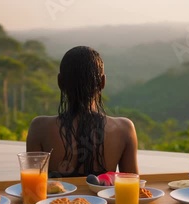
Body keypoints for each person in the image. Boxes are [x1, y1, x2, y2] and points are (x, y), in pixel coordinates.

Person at [26, 46, 138, 177]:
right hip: (105, 198)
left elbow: (33, 188)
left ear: (60, 82)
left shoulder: (39, 127)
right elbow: (133, 186)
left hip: (58, 199)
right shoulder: (124, 129)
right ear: (103, 82)